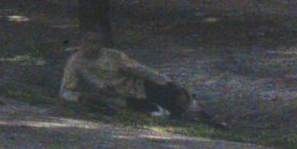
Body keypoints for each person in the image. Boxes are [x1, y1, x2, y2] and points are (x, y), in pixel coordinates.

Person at [58, 32, 218, 124]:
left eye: (96, 42)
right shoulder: (75, 62)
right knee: (154, 111)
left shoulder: (113, 56)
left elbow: (138, 68)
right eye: (88, 42)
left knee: (174, 94)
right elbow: (66, 89)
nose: (92, 46)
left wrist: (164, 80)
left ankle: (199, 114)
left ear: (102, 43)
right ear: (82, 42)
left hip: (137, 87)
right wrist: (81, 98)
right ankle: (180, 115)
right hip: (115, 97)